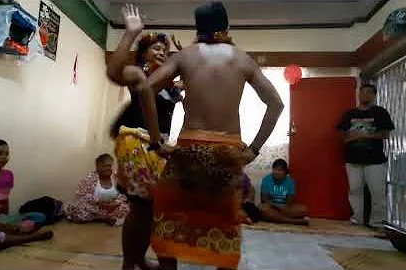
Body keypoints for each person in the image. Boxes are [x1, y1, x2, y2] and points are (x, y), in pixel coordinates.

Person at [135, 2, 284, 269]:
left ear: (197, 28)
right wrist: (254, 149)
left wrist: (157, 141)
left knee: (169, 216)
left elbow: (146, 89)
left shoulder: (185, 56)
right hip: (226, 151)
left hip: (189, 146)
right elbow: (276, 104)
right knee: (225, 223)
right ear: (226, 26)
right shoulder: (242, 58)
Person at [106, 5, 182, 270]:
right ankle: (137, 262)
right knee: (143, 208)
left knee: (149, 209)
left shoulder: (169, 84)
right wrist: (130, 34)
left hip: (157, 146)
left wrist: (184, 58)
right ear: (143, 54)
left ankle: (137, 260)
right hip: (138, 142)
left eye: (165, 49)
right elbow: (114, 72)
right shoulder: (139, 73)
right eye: (156, 48)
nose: (161, 51)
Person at [0, 136, 53, 256]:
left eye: (7, 154)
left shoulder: (8, 175)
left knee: (39, 216)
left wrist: (8, 223)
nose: (4, 157)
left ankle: (6, 238)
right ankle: (26, 238)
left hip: (1, 219)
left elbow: (5, 203)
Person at [337, 84, 394, 229]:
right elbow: (342, 135)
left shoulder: (380, 112)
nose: (364, 95)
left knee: (377, 192)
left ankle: (377, 222)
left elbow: (385, 134)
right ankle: (357, 219)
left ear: (374, 95)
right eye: (362, 92)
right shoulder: (349, 114)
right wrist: (352, 138)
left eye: (369, 92)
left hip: (375, 160)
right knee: (355, 190)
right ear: (358, 94)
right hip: (352, 160)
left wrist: (364, 134)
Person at [65, 154, 129, 226]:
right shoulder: (91, 177)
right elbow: (81, 194)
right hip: (95, 207)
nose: (107, 168)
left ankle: (108, 217)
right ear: (98, 167)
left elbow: (123, 194)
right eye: (104, 166)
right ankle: (103, 218)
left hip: (112, 206)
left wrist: (114, 203)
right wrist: (100, 203)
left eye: (109, 166)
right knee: (79, 208)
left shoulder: (115, 177)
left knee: (126, 207)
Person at [259, 159, 309, 225]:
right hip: (272, 207)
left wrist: (284, 208)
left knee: (304, 209)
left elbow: (289, 201)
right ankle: (294, 221)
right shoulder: (266, 179)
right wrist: (277, 206)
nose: (276, 172)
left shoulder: (290, 181)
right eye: (275, 169)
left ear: (285, 171)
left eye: (280, 170)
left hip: (285, 207)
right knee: (262, 208)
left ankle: (275, 217)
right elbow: (264, 199)